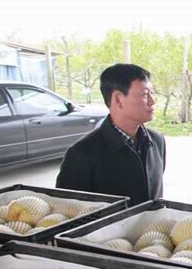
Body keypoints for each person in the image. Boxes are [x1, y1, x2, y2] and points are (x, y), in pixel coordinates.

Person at [56, 63, 166, 206]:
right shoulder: (82, 154)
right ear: (118, 99)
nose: (152, 101)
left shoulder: (157, 141)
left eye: (152, 93)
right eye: (145, 95)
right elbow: (67, 210)